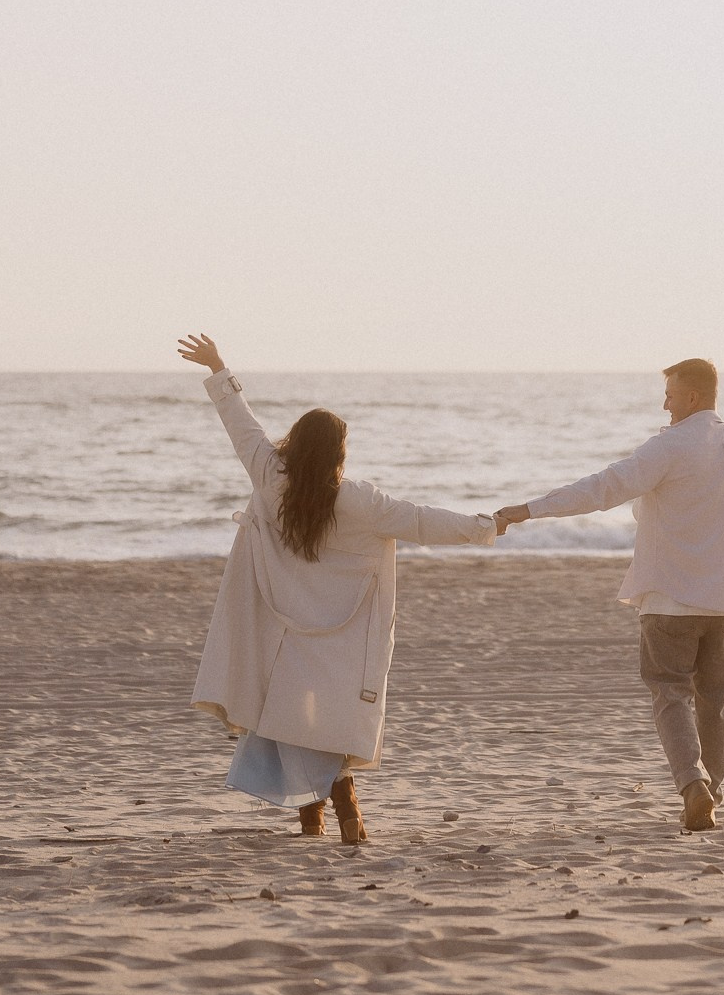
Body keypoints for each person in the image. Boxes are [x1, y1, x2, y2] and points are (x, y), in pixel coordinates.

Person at [179, 333, 506, 842]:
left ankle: (315, 819)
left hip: (284, 633)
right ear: (337, 452)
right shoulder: (360, 502)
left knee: (290, 721)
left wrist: (220, 368)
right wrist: (484, 525)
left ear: (295, 441)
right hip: (343, 636)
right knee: (327, 723)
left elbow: (239, 423)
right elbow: (422, 522)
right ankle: (347, 810)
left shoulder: (270, 476)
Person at [497, 358, 724, 833]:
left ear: (692, 397)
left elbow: (603, 488)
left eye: (670, 394)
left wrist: (530, 509)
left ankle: (693, 787)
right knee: (717, 702)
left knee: (670, 695)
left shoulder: (668, 448)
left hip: (670, 599)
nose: (664, 404)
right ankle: (711, 792)